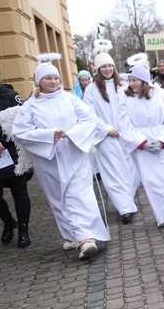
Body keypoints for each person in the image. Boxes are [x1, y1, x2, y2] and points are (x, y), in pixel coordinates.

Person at [12, 54, 109, 259]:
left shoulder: (69, 98)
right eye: (48, 78)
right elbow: (20, 131)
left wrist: (73, 133)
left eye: (55, 78)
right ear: (39, 81)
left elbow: (90, 119)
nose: (53, 82)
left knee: (79, 194)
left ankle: (85, 238)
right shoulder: (30, 105)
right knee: (58, 198)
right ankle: (70, 235)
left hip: (73, 152)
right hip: (49, 158)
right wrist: (48, 135)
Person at [123, 61, 164, 230]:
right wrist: (141, 142)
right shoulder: (125, 97)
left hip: (162, 138)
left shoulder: (161, 94)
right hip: (142, 144)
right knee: (152, 180)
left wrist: (163, 139)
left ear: (144, 79)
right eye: (129, 80)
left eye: (135, 80)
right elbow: (123, 122)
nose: (132, 84)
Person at [83, 46, 141, 225]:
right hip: (106, 137)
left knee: (132, 171)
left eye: (110, 66)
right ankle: (124, 208)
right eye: (103, 67)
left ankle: (127, 201)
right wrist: (106, 128)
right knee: (113, 173)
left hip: (125, 134)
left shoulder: (123, 86)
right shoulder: (91, 90)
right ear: (98, 70)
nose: (107, 69)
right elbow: (88, 114)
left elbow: (132, 108)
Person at [0, 56, 32, 248]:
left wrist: (1, 142)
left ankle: (24, 231)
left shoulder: (10, 95)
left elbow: (22, 121)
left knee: (20, 192)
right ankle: (9, 221)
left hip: (11, 151)